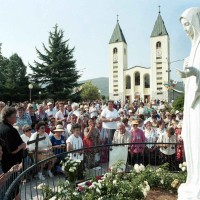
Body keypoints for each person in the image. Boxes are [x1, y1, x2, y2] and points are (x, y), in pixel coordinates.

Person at [177, 8, 200, 200]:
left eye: (187, 24)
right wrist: (187, 76)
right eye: (183, 26)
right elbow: (192, 78)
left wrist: (196, 73)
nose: (185, 29)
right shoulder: (193, 47)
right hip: (191, 106)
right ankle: (193, 179)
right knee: (191, 141)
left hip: (199, 105)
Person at [0, 107, 26, 200]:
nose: (16, 118)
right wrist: (22, 145)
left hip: (6, 164)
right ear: (8, 118)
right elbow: (12, 149)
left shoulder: (2, 127)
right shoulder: (9, 130)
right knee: (11, 189)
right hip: (11, 165)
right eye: (15, 116)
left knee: (14, 189)